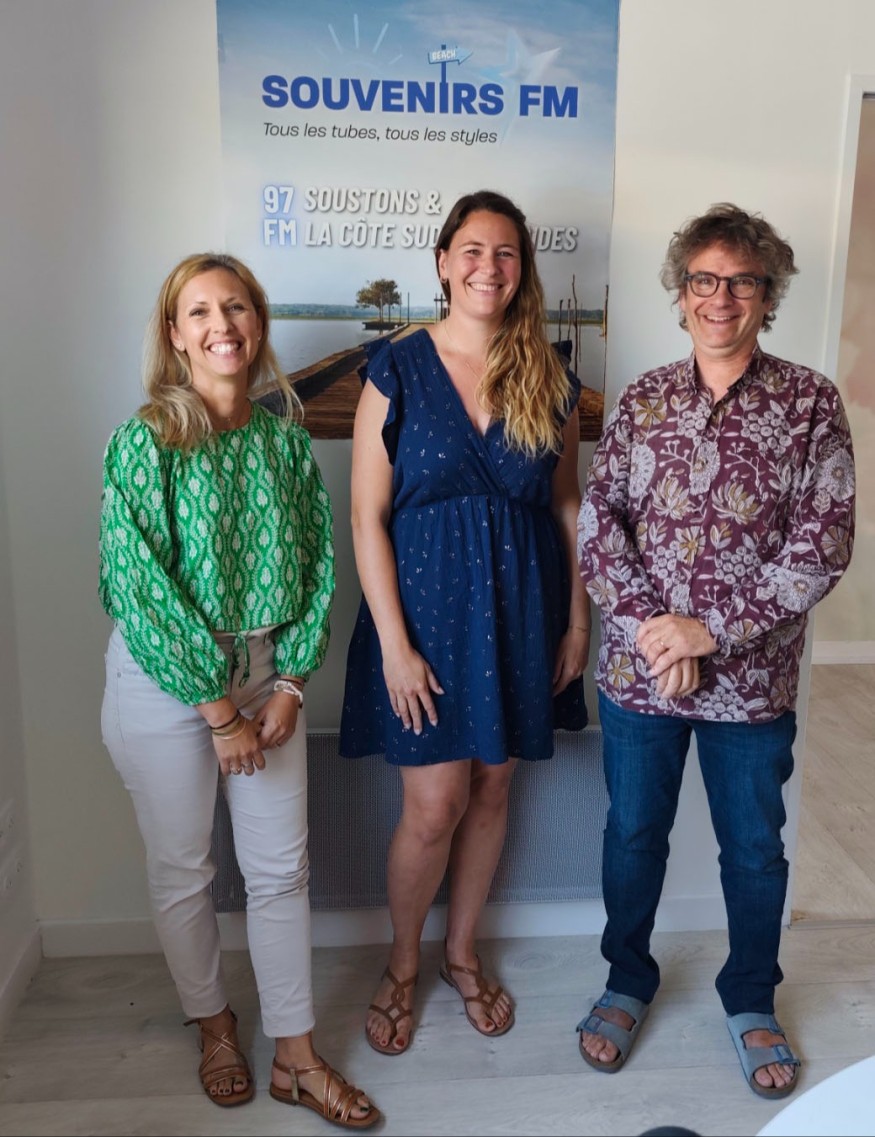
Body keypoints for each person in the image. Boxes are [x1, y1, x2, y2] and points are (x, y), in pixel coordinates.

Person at [577, 203, 855, 1098]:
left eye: (741, 281)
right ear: (681, 291)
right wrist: (657, 632)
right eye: (703, 279)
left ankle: (749, 996)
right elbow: (598, 526)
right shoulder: (643, 398)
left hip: (752, 684)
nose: (720, 297)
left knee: (754, 851)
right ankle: (626, 979)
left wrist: (710, 630)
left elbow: (821, 544)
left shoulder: (810, 403)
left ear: (767, 295)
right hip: (639, 677)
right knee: (631, 835)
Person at [99, 252, 379, 1129]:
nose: (221, 325)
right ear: (176, 334)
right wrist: (219, 712)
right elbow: (137, 586)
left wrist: (290, 683)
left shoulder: (285, 442)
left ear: (257, 323)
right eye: (200, 311)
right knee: (186, 869)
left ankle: (296, 1054)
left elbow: (318, 568)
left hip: (266, 679)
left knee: (281, 870)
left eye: (236, 307)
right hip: (165, 683)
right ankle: (215, 1026)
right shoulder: (146, 439)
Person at [340, 190, 590, 1054]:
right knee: (434, 802)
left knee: (492, 788)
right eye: (473, 250)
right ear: (443, 262)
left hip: (522, 611)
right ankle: (401, 963)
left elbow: (567, 508)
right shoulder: (396, 368)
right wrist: (394, 647)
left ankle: (460, 952)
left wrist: (577, 624)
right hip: (425, 621)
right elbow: (366, 516)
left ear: (523, 269)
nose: (489, 266)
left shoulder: (549, 376)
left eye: (506, 252)